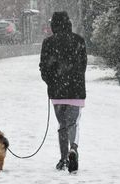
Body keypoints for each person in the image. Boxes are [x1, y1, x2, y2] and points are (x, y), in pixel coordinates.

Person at [39, 11, 87, 173]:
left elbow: (43, 68)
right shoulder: (79, 41)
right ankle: (73, 149)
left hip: (57, 92)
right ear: (69, 23)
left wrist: (51, 82)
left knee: (62, 125)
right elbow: (83, 66)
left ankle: (63, 158)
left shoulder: (48, 43)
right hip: (76, 91)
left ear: (54, 25)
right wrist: (75, 79)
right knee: (73, 123)